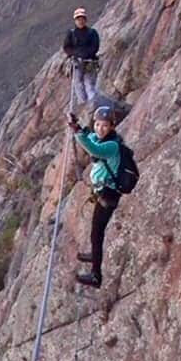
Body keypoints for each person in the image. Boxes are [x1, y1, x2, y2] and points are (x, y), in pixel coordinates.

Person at [66, 105, 139, 288]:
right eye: (98, 124)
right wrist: (80, 127)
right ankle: (94, 254)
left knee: (96, 233)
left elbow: (93, 149)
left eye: (105, 126)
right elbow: (91, 137)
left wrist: (77, 133)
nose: (100, 128)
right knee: (95, 231)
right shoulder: (104, 139)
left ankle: (96, 276)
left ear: (112, 127)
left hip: (109, 195)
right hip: (104, 193)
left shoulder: (112, 146)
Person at [62, 7, 100, 108]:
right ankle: (84, 104)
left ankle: (92, 104)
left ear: (85, 20)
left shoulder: (92, 33)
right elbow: (66, 47)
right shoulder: (71, 33)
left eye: (82, 19)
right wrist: (76, 54)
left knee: (89, 84)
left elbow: (95, 46)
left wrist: (84, 54)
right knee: (78, 84)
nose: (80, 21)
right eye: (78, 19)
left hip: (89, 62)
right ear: (75, 20)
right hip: (77, 63)